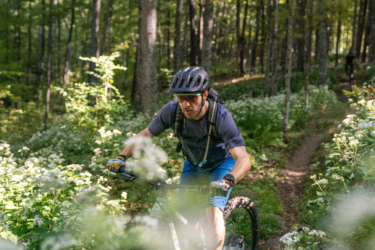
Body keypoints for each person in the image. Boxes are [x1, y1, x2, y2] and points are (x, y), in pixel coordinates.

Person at [106, 66, 251, 250]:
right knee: (185, 218)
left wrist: (227, 180)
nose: (186, 104)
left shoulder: (220, 116)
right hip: (193, 165)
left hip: (222, 165)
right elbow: (145, 135)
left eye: (192, 98)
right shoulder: (173, 111)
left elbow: (244, 160)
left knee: (213, 213)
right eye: (181, 98)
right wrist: (121, 157)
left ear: (204, 95)